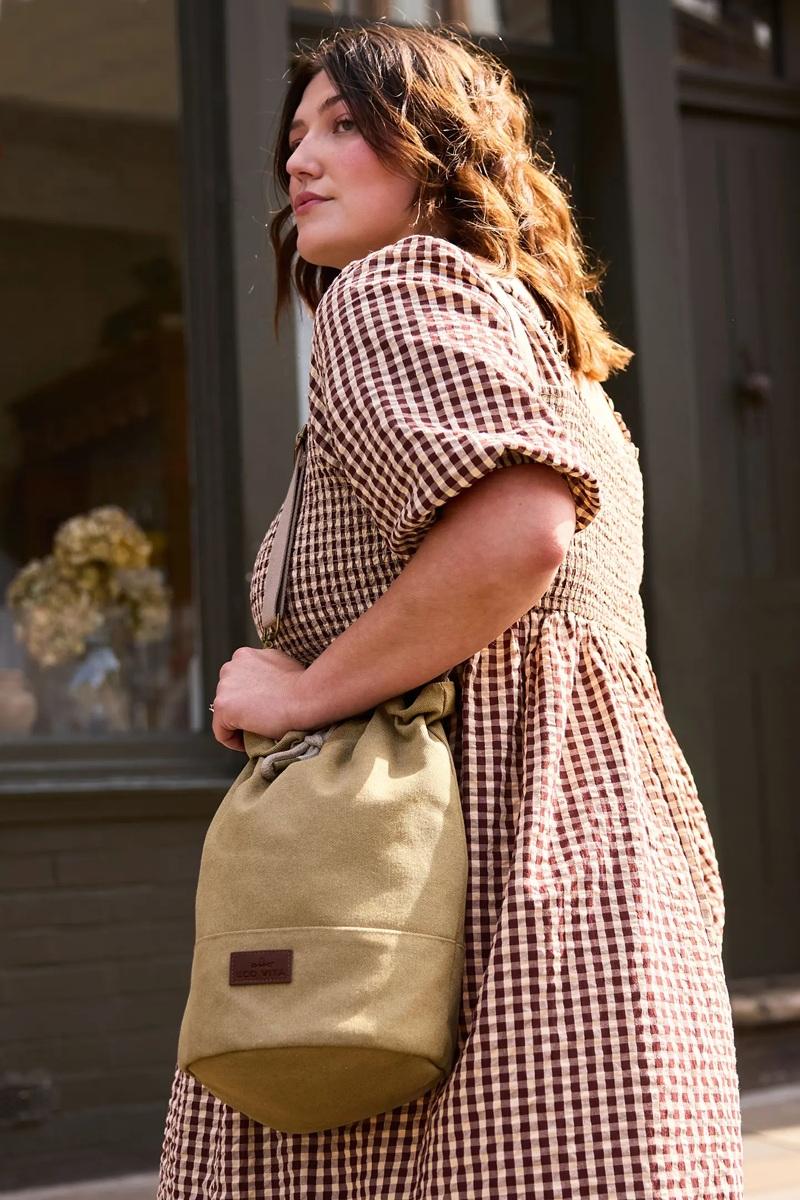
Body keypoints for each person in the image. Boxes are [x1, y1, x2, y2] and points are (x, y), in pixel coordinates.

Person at [157, 22, 744, 1199]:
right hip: (590, 849)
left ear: (437, 151)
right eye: (293, 135)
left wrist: (307, 691)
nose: (298, 159)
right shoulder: (546, 349)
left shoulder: (391, 288)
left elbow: (516, 531)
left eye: (342, 126)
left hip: (444, 861)